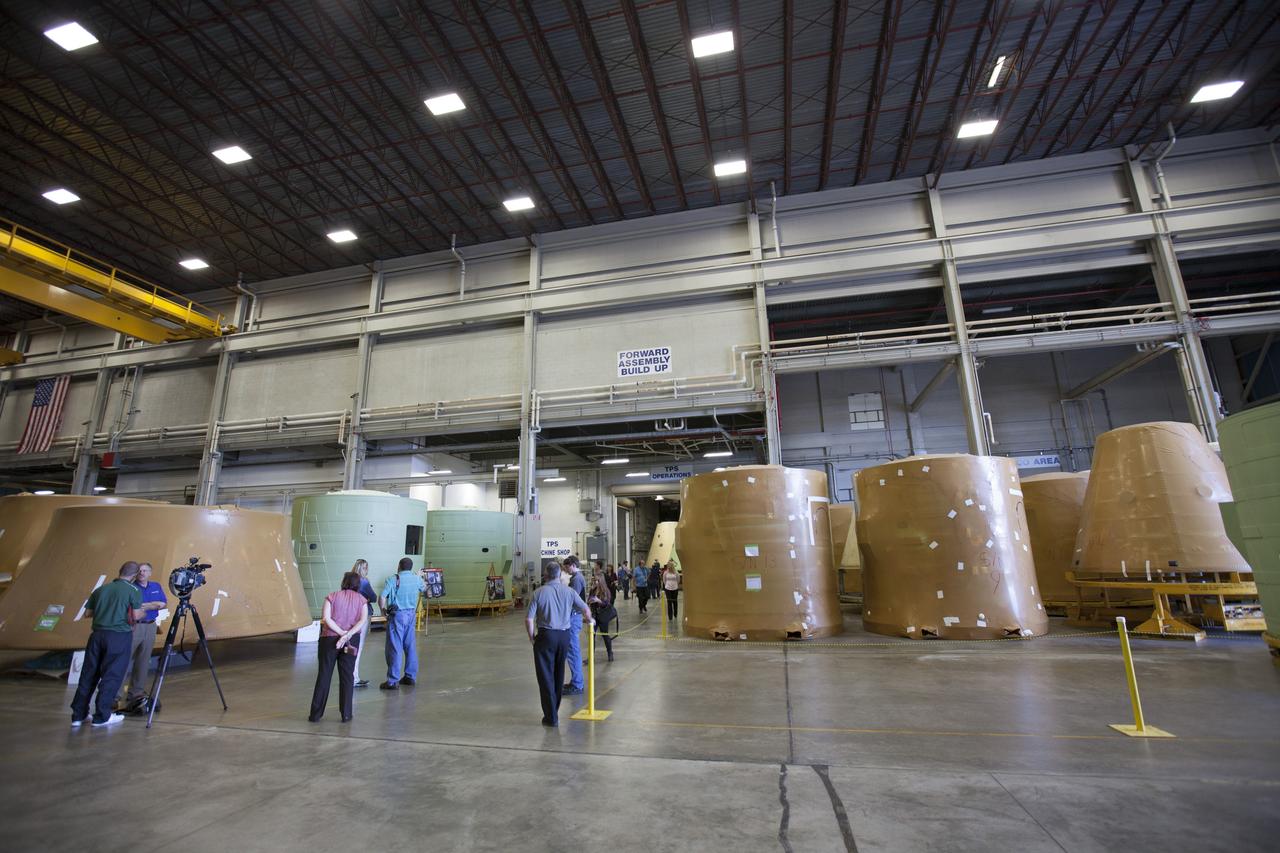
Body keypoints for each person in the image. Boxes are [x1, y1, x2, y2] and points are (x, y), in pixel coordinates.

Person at [70, 561, 146, 728]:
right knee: (112, 675)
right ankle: (102, 715)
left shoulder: (101, 590)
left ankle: (78, 715)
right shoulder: (133, 590)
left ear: (120, 572)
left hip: (97, 636)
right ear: (134, 576)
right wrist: (143, 611)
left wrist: (107, 610)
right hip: (119, 636)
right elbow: (136, 614)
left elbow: (88, 613)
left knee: (88, 674)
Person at [526, 561, 593, 727]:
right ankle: (554, 712)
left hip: (546, 636)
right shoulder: (569, 591)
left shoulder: (538, 593)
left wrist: (532, 637)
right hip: (564, 636)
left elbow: (529, 619)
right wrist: (590, 620)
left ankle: (551, 717)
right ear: (559, 574)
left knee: (545, 676)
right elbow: (585, 609)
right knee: (558, 674)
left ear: (546, 575)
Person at [309, 571, 368, 723]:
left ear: (344, 582)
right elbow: (362, 620)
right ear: (357, 584)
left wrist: (340, 632)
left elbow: (326, 618)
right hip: (351, 640)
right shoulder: (362, 600)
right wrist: (347, 635)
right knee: (347, 677)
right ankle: (346, 714)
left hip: (329, 639)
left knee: (324, 676)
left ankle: (315, 715)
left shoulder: (332, 596)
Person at [116, 561, 167, 714]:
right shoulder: (131, 588)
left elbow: (163, 603)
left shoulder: (156, 586)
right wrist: (153, 605)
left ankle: (136, 692)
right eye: (140, 571)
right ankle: (115, 694)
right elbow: (134, 607)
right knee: (124, 659)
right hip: (134, 626)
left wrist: (148, 605)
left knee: (143, 660)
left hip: (150, 625)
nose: (142, 573)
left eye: (145, 571)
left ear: (150, 573)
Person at [378, 557, 425, 690]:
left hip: (397, 616)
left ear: (399, 566)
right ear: (411, 567)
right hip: (411, 615)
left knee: (395, 647)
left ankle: (393, 681)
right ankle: (410, 677)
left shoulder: (393, 579)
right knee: (410, 646)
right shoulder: (416, 579)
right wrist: (418, 576)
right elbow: (425, 588)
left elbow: (382, 597)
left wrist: (383, 611)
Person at [562, 555, 588, 695]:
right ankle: (575, 681)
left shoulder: (577, 579)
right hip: (575, 617)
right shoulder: (577, 578)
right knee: (572, 651)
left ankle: (577, 684)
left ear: (572, 565)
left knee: (573, 651)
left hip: (574, 617)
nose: (565, 570)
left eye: (566, 567)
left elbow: (573, 600)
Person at [352, 559, 376, 688]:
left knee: (351, 644)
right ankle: (354, 677)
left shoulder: (349, 580)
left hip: (350, 614)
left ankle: (350, 675)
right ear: (364, 568)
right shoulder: (364, 581)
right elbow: (373, 597)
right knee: (358, 646)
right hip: (362, 613)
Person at [588, 568, 617, 662]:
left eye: (596, 580)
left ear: (601, 581)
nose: (594, 582)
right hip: (594, 616)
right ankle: (591, 657)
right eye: (593, 580)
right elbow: (589, 600)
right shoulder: (593, 590)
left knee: (605, 635)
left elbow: (607, 604)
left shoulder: (606, 591)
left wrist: (598, 601)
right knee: (592, 636)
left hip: (603, 616)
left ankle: (610, 653)